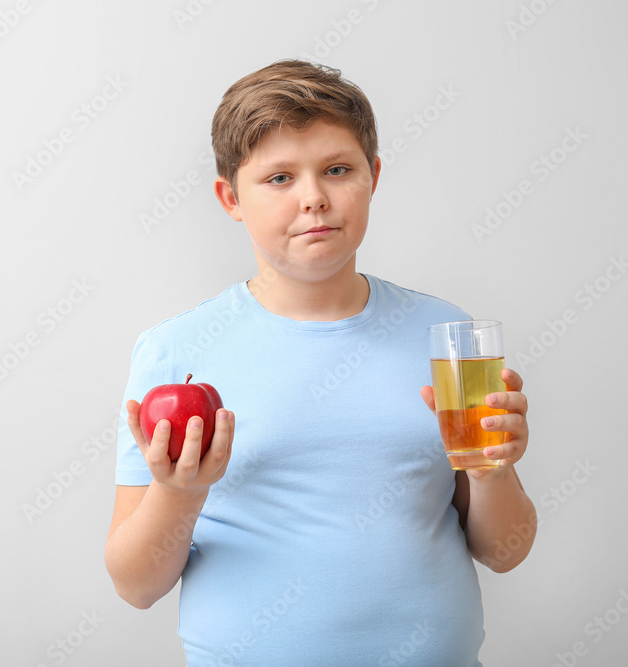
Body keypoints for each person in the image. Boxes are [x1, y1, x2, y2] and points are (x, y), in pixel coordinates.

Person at [104, 59, 536, 666]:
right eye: (279, 178)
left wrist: (494, 472)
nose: (314, 199)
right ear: (230, 197)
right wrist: (178, 496)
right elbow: (136, 586)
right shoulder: (177, 353)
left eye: (338, 170)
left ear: (373, 176)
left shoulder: (448, 338)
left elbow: (505, 552)